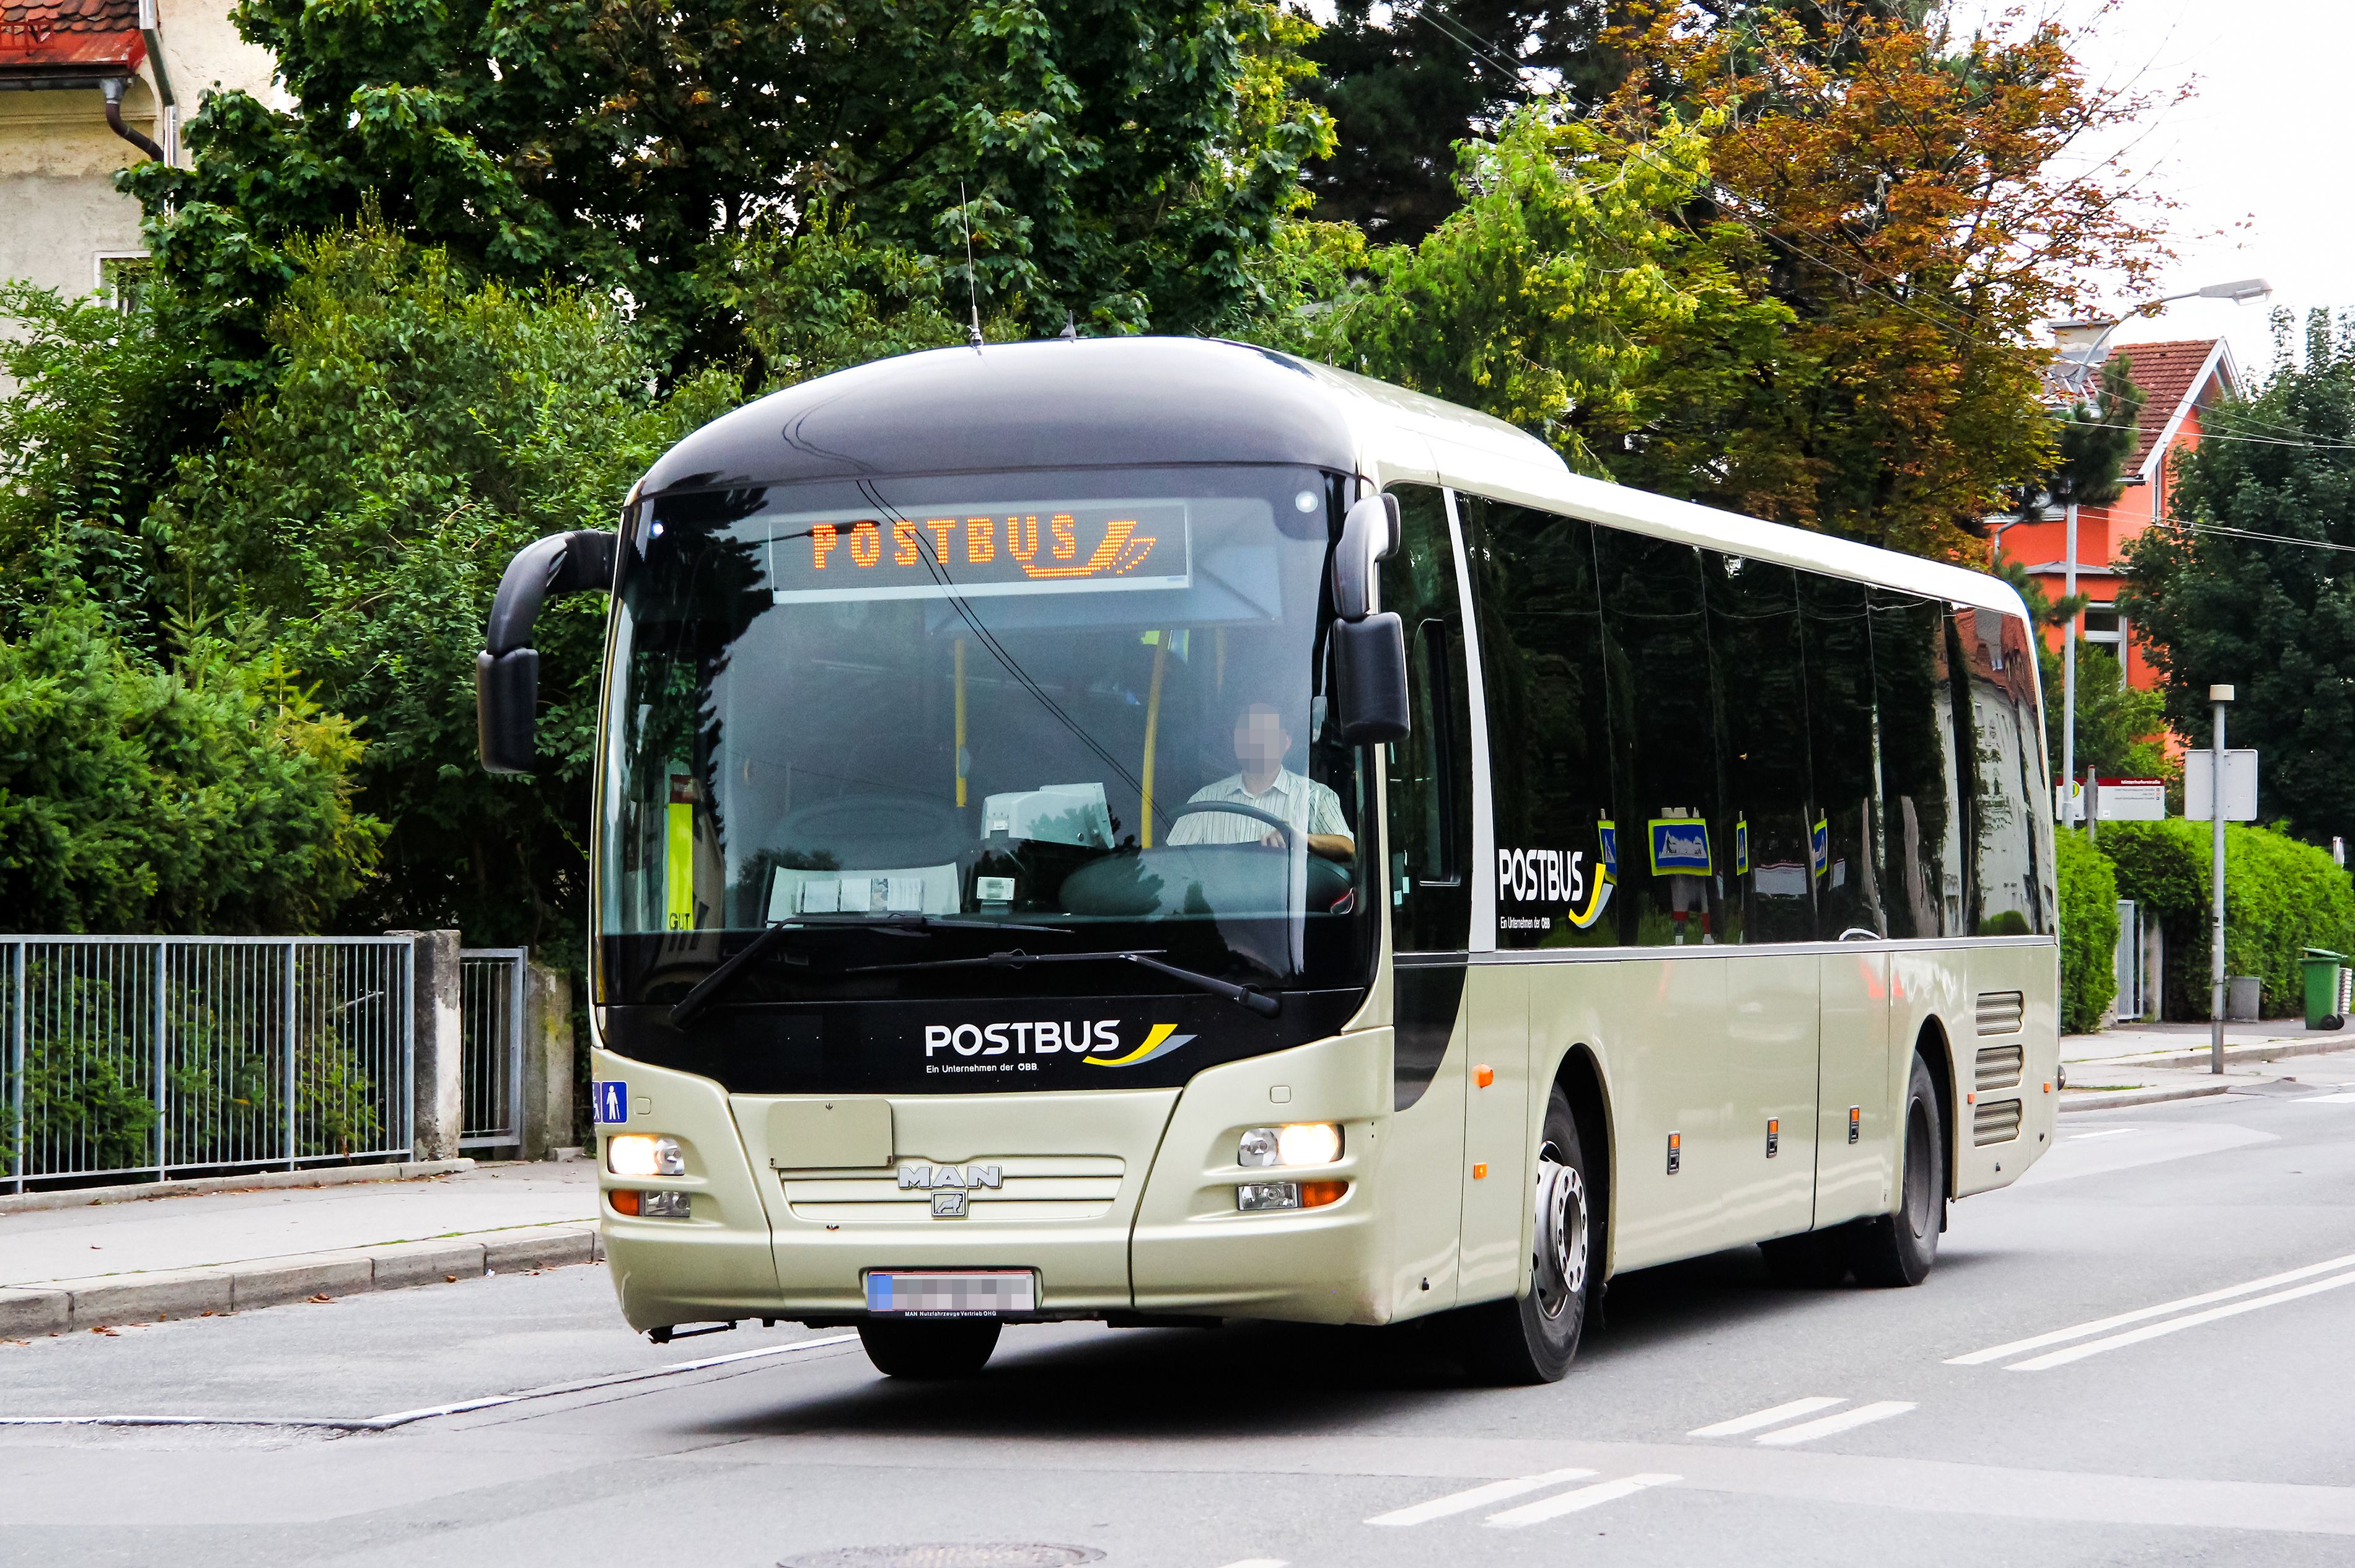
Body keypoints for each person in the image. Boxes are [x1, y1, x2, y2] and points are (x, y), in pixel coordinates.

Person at [1166, 702, 1354, 861]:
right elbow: (1171, 862)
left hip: (1291, 904)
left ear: (1287, 741)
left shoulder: (1314, 796)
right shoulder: (1205, 801)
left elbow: (1347, 847)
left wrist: (1301, 839)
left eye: (1265, 732)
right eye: (1246, 733)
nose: (1255, 741)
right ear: (1235, 742)